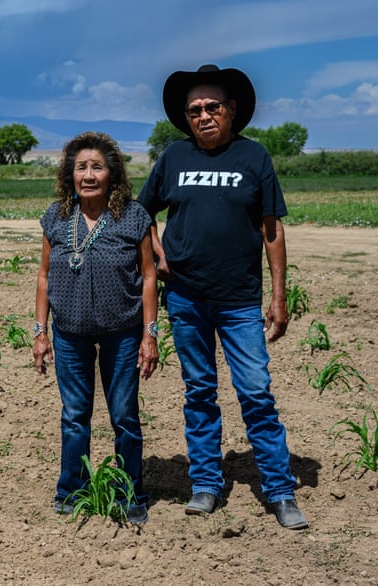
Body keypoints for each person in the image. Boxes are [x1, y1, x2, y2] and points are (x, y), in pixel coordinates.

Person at [137, 64, 308, 530]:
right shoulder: (172, 157)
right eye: (195, 109)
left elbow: (272, 231)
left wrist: (279, 296)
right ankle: (207, 484)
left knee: (255, 392)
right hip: (186, 298)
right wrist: (154, 245)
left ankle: (279, 489)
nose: (204, 115)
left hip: (238, 301)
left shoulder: (254, 159)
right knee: (199, 393)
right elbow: (141, 210)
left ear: (232, 112)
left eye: (213, 107)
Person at [33, 131, 158, 525]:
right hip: (69, 333)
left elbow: (150, 275)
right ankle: (72, 490)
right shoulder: (55, 216)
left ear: (112, 174)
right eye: (81, 167)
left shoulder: (133, 216)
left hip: (122, 332)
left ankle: (129, 493)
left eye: (97, 167)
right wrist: (40, 331)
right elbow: (43, 275)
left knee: (124, 415)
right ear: (70, 174)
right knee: (74, 415)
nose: (89, 175)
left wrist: (149, 334)